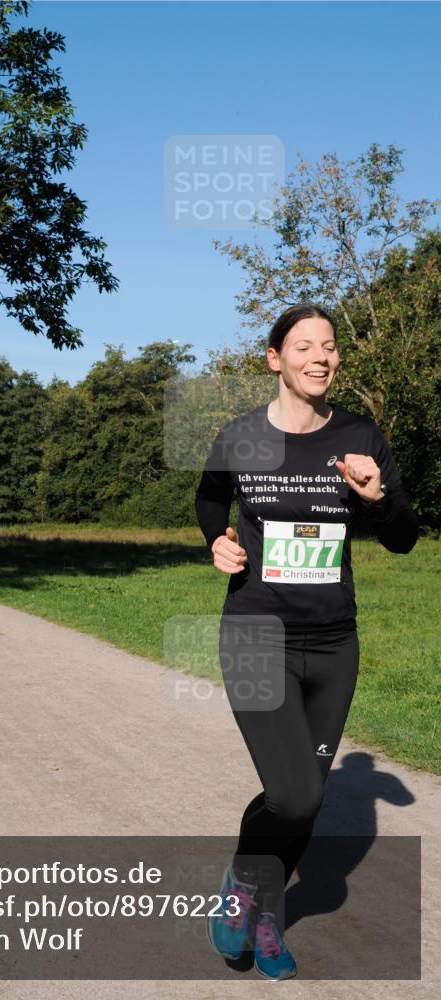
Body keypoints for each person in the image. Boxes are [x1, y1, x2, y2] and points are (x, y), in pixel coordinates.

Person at [196, 303, 418, 981]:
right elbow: (209, 498)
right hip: (255, 632)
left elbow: (404, 538)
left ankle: (262, 910)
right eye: (304, 346)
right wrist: (216, 540)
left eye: (329, 346)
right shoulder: (240, 437)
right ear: (275, 359)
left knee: (303, 799)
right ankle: (244, 890)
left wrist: (377, 498)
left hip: (333, 644)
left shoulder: (359, 435)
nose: (320, 357)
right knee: (293, 798)